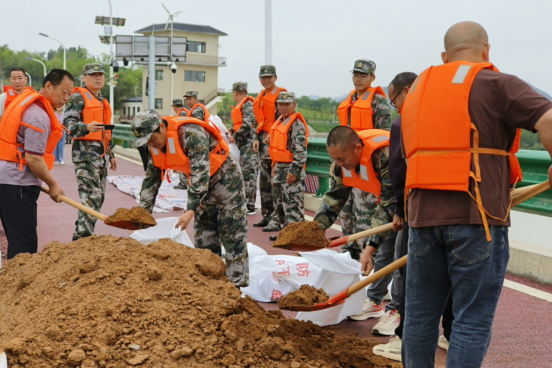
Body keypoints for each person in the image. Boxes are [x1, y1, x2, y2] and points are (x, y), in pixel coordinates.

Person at [401, 21, 552, 367]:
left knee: (420, 317)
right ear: (486, 50)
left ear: (444, 56)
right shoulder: (497, 83)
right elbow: (549, 120)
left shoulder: (418, 92)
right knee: (471, 319)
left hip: (422, 219)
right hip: (477, 217)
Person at [132, 111, 249, 287]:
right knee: (204, 237)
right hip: (199, 185)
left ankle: (235, 285)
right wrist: (143, 213)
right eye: (146, 142)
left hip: (226, 179)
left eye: (151, 138)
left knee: (231, 233)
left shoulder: (191, 133)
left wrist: (190, 210)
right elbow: (151, 180)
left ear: (162, 127)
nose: (151, 144)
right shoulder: (153, 147)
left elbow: (200, 173)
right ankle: (211, 284)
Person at [312, 125, 397, 321]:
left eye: (342, 159)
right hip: (392, 202)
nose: (339, 164)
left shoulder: (385, 155)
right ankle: (375, 301)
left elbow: (389, 204)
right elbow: (334, 197)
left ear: (358, 149)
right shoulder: (343, 164)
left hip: (412, 200)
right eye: (335, 160)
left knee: (400, 255)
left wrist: (370, 247)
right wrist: (314, 230)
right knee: (385, 251)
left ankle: (397, 311)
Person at [0, 69, 73, 259]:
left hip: (8, 179)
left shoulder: (28, 105)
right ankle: (17, 286)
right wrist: (53, 184)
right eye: (63, 92)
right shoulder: (39, 117)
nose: (66, 98)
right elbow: (33, 158)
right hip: (18, 184)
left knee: (17, 238)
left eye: (70, 94)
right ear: (48, 86)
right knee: (25, 246)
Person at [335, 59, 392, 259]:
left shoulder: (378, 102)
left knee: (366, 211)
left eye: (363, 75)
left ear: (372, 78)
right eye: (356, 74)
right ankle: (349, 249)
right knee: (346, 209)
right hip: (347, 163)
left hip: (367, 163)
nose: (358, 79)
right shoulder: (349, 102)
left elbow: (383, 136)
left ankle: (372, 253)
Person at [63, 63, 117, 241]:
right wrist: (86, 127)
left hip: (101, 156)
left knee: (98, 198)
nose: (98, 77)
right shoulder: (78, 97)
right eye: (93, 75)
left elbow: (105, 131)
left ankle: (80, 236)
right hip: (85, 156)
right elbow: (68, 126)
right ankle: (85, 238)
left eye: (100, 74)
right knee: (91, 198)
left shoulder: (102, 100)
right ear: (84, 78)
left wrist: (111, 154)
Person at [263, 92, 308, 241]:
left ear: (294, 105)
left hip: (290, 171)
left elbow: (300, 152)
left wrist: (294, 171)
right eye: (280, 104)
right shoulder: (280, 122)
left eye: (287, 104)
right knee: (281, 205)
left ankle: (297, 235)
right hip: (279, 170)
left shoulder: (296, 125)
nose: (283, 107)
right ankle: (286, 232)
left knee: (294, 205)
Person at [252, 65, 287, 231]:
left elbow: (286, 119)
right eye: (263, 77)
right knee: (264, 182)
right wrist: (255, 138)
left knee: (275, 183)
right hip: (263, 143)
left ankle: (277, 218)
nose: (266, 80)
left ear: (275, 78)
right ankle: (266, 215)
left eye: (269, 77)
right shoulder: (260, 97)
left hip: (276, 144)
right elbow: (257, 122)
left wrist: (273, 135)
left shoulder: (281, 96)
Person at [231, 82, 259, 215]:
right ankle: (247, 203)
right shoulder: (246, 104)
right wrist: (232, 131)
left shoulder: (247, 105)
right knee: (245, 175)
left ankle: (250, 206)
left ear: (235, 92)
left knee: (249, 176)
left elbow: (247, 125)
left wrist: (234, 137)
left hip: (249, 146)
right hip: (245, 146)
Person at [171, 98, 190, 189]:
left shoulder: (182, 114)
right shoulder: (185, 112)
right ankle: (185, 182)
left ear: (174, 107)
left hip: (184, 141)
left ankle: (184, 183)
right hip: (187, 140)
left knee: (182, 161)